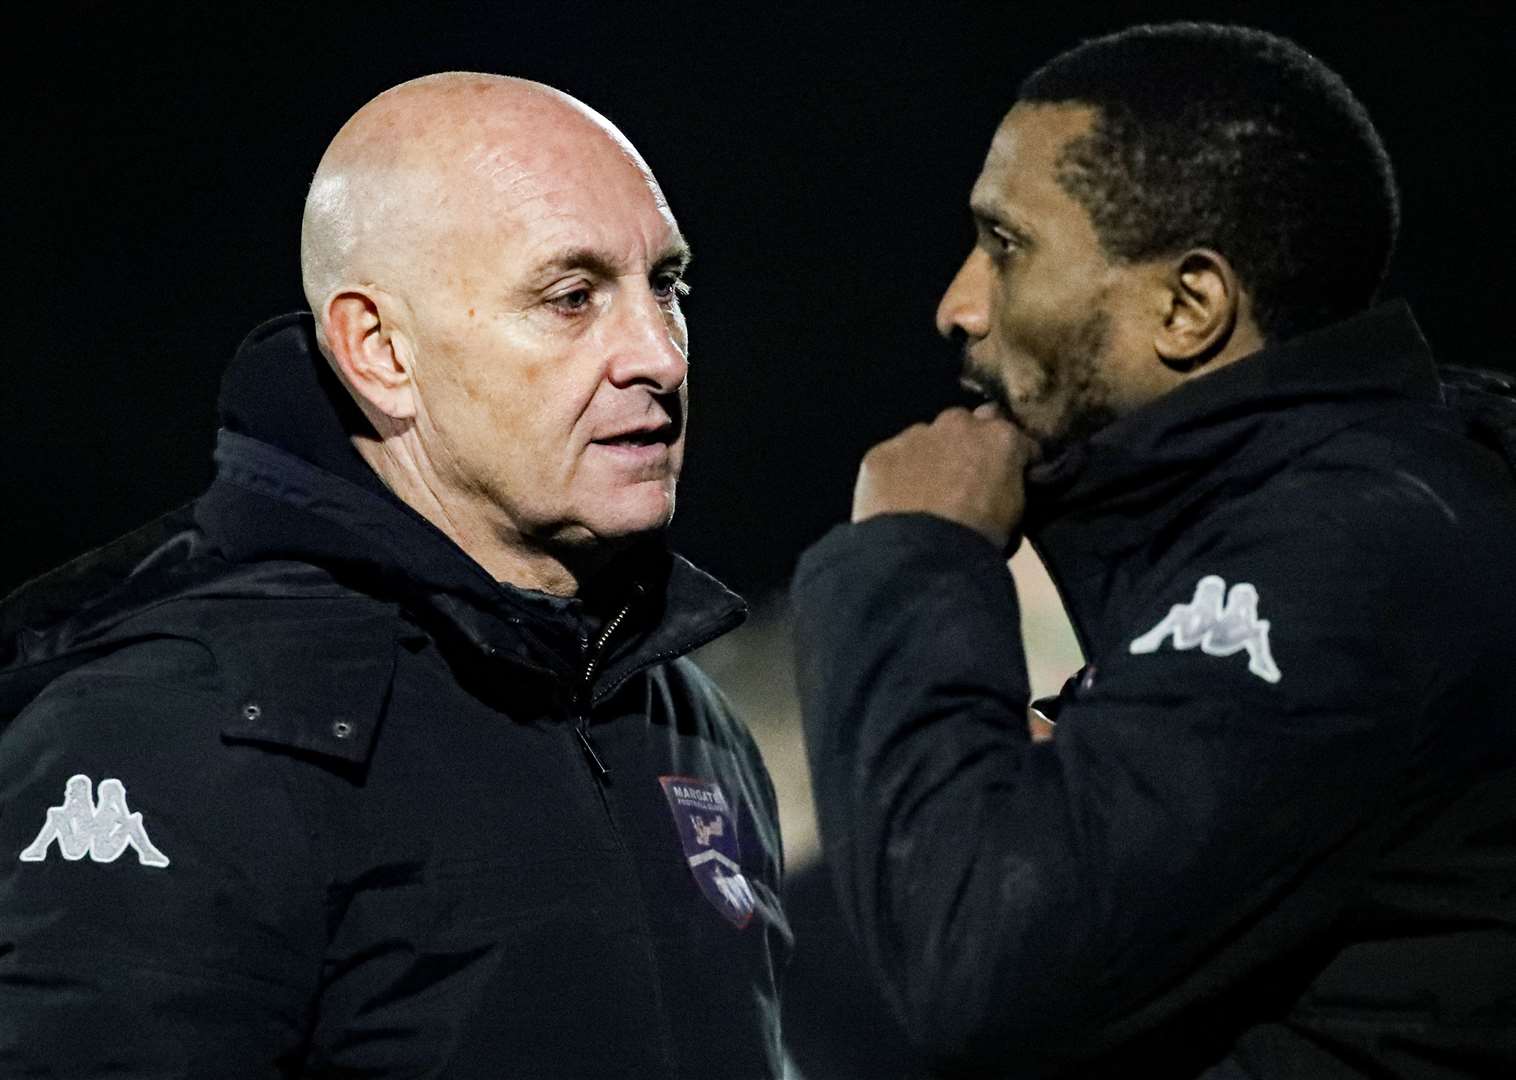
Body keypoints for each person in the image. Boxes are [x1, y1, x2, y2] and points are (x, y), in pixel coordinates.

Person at [0, 73, 790, 1077]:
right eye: (572, 296)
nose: (658, 355)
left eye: (666, 285)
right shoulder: (163, 723)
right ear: (379, 350)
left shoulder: (683, 712)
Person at [791, 23, 1516, 1079]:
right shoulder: (1359, 503)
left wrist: (911, 557)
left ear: (1187, 307)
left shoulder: (1347, 556)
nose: (959, 306)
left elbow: (974, 954)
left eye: (1006, 246)